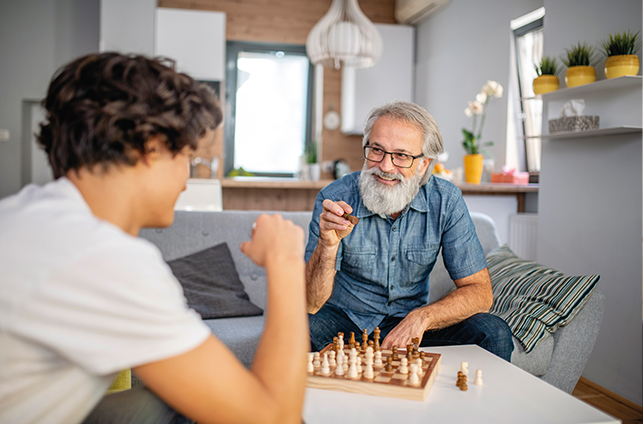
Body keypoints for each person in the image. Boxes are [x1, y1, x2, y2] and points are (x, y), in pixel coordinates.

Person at [0, 53, 308, 424]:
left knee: (170, 402)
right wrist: (286, 260)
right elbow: (274, 418)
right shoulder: (105, 258)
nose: (186, 180)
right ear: (151, 146)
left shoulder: (27, 212)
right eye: (188, 159)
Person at [305, 101, 514, 361]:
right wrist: (328, 246)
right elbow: (311, 302)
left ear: (424, 165)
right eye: (377, 150)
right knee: (300, 326)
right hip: (342, 322)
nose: (385, 166)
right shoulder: (335, 198)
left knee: (491, 331)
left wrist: (422, 317)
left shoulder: (445, 201)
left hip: (410, 325)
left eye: (401, 155)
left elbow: (480, 293)